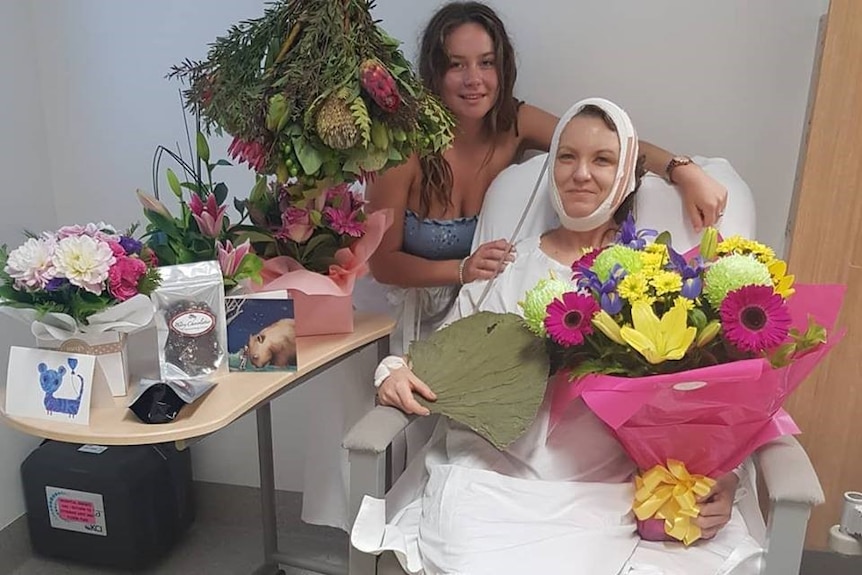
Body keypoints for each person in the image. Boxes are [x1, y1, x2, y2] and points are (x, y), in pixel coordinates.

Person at [352, 99, 762, 575]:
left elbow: (701, 402)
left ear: (627, 173)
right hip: (484, 478)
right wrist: (394, 372)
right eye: (567, 157)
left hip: (597, 490)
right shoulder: (503, 264)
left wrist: (724, 478)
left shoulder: (655, 279)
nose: (581, 174)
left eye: (602, 160)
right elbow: (442, 356)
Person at [366, 1, 729, 355]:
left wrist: (683, 170)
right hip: (407, 319)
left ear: (503, 68)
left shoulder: (515, 122)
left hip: (483, 306)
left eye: (486, 63)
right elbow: (381, 263)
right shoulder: (404, 146)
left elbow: (599, 138)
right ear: (435, 72)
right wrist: (462, 268)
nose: (473, 79)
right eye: (456, 65)